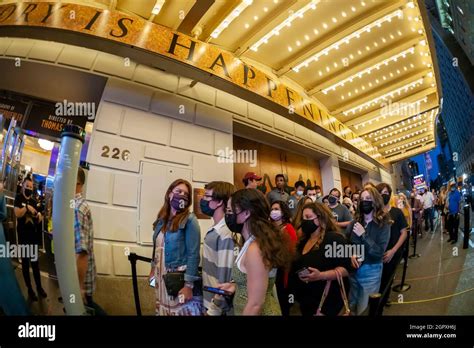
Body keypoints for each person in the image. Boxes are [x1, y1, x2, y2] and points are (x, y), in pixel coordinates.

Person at [218, 189, 293, 315]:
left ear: (246, 213)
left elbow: (255, 305)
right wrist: (237, 286)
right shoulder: (249, 242)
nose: (227, 215)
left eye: (230, 211)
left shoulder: (255, 249)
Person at [150, 179, 204, 316]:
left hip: (177, 280)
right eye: (178, 191)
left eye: (185, 194)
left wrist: (188, 286)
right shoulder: (161, 220)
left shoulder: (190, 220)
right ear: (169, 194)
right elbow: (156, 248)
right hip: (160, 278)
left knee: (179, 311)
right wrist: (152, 269)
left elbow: (193, 254)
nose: (182, 195)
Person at [290, 202, 353, 316]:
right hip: (306, 303)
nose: (304, 221)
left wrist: (321, 275)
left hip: (328, 303)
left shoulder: (334, 239)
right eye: (303, 218)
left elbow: (347, 269)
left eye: (308, 217)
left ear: (319, 218)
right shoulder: (303, 241)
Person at [347, 186, 390, 315]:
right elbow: (348, 243)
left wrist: (364, 235)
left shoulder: (384, 223)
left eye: (368, 199)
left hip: (371, 271)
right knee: (352, 306)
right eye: (362, 199)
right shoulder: (355, 222)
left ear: (375, 201)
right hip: (353, 271)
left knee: (363, 310)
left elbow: (378, 252)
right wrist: (351, 255)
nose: (365, 201)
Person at [200, 181, 236, 316]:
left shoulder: (225, 232)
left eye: (207, 196)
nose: (203, 200)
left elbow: (225, 276)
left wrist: (214, 309)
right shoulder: (215, 229)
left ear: (220, 202)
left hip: (217, 308)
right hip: (209, 302)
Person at [74, 167, 105, 315]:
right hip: (84, 279)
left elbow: (82, 252)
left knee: (86, 309)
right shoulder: (78, 205)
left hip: (81, 282)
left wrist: (79, 287)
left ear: (77, 183)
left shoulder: (77, 209)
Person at [376, 183, 408, 313]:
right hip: (377, 253)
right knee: (379, 278)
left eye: (386, 192)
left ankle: (383, 299)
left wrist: (393, 250)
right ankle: (380, 299)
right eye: (381, 192)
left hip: (393, 252)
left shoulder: (397, 212)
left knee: (387, 277)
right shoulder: (374, 213)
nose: (384, 195)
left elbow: (404, 233)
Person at [14, 177, 46, 301]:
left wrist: (39, 215)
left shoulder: (34, 201)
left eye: (31, 187)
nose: (29, 188)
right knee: (26, 265)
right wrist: (26, 208)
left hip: (32, 237)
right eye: (27, 186)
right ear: (23, 186)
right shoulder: (18, 198)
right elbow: (17, 214)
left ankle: (39, 287)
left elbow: (39, 217)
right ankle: (29, 289)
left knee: (35, 264)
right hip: (23, 237)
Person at [270, 200, 297, 316]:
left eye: (276, 209)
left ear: (283, 212)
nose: (273, 212)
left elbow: (291, 253)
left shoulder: (288, 228)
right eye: (272, 209)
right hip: (270, 269)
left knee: (283, 303)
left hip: (283, 270)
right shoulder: (269, 228)